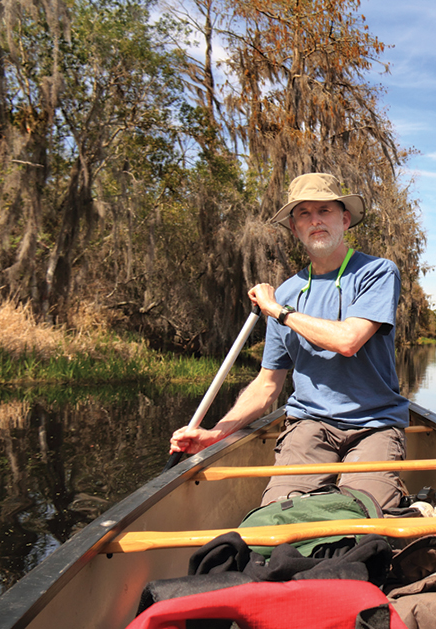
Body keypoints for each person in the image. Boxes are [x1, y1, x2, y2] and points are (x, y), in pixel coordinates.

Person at [170, 173, 409, 510]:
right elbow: (268, 385)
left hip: (374, 424)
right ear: (295, 228)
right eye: (304, 214)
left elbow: (348, 341)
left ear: (344, 219)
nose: (315, 221)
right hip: (309, 424)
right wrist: (216, 433)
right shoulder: (287, 292)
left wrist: (279, 312)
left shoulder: (377, 272)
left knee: (363, 516)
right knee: (282, 514)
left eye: (324, 210)